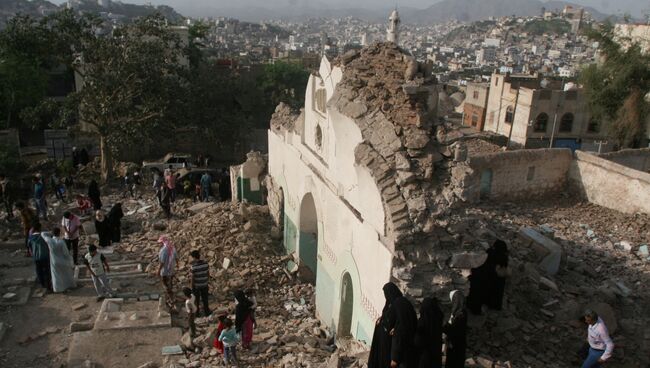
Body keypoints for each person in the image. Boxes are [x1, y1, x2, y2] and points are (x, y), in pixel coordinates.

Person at [368, 282, 418, 368]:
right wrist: (381, 318)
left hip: (392, 347)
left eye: (386, 294)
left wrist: (394, 328)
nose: (386, 296)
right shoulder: (394, 303)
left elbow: (401, 324)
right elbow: (389, 316)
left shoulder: (399, 304)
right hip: (389, 344)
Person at [467, 239, 510, 314]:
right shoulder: (503, 257)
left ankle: (474, 306)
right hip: (491, 280)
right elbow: (502, 270)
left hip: (480, 277)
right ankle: (491, 304)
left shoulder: (489, 252)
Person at [43, 228, 76, 293]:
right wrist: (70, 260)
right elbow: (66, 253)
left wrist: (50, 233)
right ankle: (67, 286)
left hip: (54, 261)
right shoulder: (61, 242)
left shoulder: (49, 240)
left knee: (56, 276)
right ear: (59, 233)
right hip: (62, 260)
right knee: (66, 274)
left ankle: (59, 289)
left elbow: (42, 234)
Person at [415, 297, 443, 368]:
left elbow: (418, 340)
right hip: (436, 353)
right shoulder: (438, 318)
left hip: (425, 355)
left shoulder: (423, 321)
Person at [442, 290, 468, 368]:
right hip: (456, 343)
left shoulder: (460, 315)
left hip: (456, 344)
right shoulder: (458, 312)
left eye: (453, 300)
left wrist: (445, 326)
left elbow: (454, 330)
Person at [28, 222, 51, 291]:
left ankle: (42, 284)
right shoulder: (43, 236)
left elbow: (30, 248)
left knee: (39, 270)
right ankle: (48, 286)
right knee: (46, 271)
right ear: (39, 228)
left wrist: (33, 254)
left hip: (36, 257)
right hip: (45, 256)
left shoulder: (31, 238)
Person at [158, 236, 177, 312]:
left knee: (165, 285)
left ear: (163, 242)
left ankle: (170, 298)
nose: (159, 244)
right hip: (171, 270)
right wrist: (176, 265)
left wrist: (158, 270)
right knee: (170, 283)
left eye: (160, 243)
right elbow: (176, 258)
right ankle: (171, 297)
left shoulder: (163, 250)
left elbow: (162, 262)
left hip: (165, 271)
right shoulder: (173, 248)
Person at [189, 250, 210, 317]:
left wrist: (192, 287)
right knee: (205, 299)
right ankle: (207, 312)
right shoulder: (206, 264)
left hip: (197, 286)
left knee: (196, 301)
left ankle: (197, 313)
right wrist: (206, 281)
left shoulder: (193, 267)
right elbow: (208, 274)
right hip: (204, 284)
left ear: (194, 257)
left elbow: (193, 278)